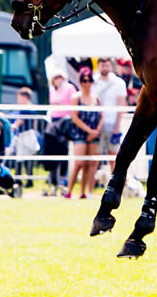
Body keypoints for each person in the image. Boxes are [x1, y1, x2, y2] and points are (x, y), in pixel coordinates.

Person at [66, 68, 102, 199]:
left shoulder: (96, 98)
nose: (86, 83)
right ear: (80, 82)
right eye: (83, 80)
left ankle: (86, 192)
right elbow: (74, 117)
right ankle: (69, 191)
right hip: (80, 133)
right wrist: (89, 131)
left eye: (89, 80)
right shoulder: (76, 97)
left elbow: (101, 116)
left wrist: (96, 131)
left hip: (94, 133)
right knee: (79, 163)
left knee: (91, 163)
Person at [92, 57, 128, 172]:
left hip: (112, 124)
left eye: (107, 65)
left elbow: (121, 105)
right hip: (96, 125)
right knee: (94, 159)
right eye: (102, 65)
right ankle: (89, 190)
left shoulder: (118, 83)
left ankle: (114, 187)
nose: (105, 68)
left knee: (114, 158)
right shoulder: (92, 82)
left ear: (111, 66)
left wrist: (117, 127)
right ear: (98, 66)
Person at [44, 69, 77, 192]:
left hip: (65, 123)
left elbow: (73, 105)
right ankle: (53, 179)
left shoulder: (70, 88)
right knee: (52, 149)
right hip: (53, 122)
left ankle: (63, 178)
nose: (58, 79)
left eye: (60, 77)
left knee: (63, 151)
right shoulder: (52, 89)